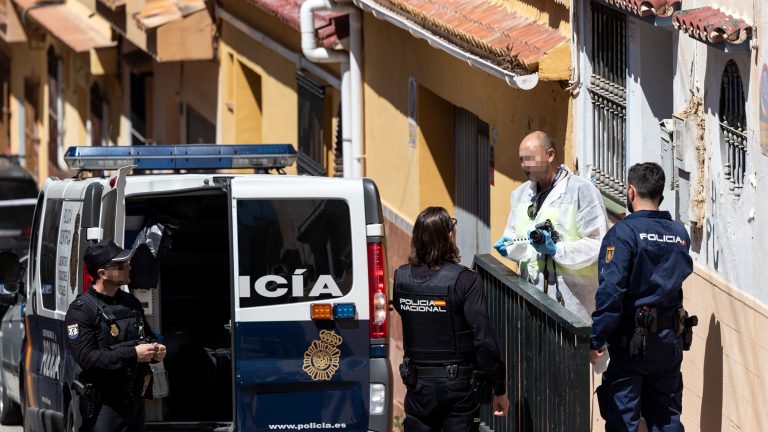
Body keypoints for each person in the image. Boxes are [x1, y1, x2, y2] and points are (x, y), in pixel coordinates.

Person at [589, 162, 694, 432]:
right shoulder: (679, 234)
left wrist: (597, 337)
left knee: (624, 419)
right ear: (660, 194)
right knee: (667, 417)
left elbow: (611, 293)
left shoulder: (623, 234)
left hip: (631, 344)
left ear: (631, 191)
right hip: (669, 341)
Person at [394, 206, 509, 432]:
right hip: (457, 388)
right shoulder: (466, 280)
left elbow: (404, 312)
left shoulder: (401, 277)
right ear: (448, 236)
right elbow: (483, 339)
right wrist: (499, 388)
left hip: (418, 387)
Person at [493, 131, 607, 322]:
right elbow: (514, 236)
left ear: (550, 154)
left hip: (573, 303)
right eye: (521, 160)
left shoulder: (581, 191)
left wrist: (557, 250)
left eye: (529, 159)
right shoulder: (520, 194)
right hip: (531, 299)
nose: (524, 166)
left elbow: (598, 243)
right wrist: (511, 247)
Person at [65, 240, 167, 432]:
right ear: (102, 273)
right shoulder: (81, 311)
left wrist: (155, 350)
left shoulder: (130, 302)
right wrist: (134, 354)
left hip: (134, 400)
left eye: (127, 262)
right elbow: (88, 358)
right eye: (120, 265)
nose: (129, 267)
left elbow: (145, 335)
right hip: (104, 404)